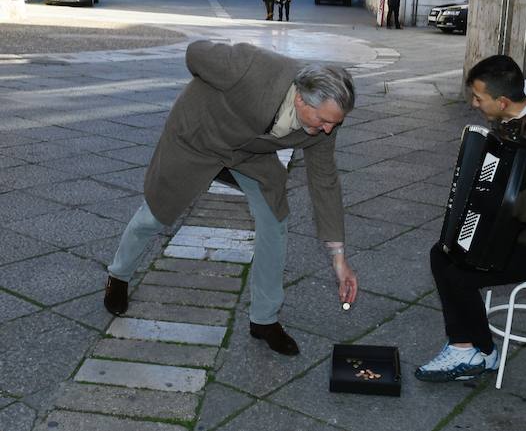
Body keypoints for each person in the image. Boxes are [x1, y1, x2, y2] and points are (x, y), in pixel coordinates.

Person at [102, 40, 359, 356]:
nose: (329, 129)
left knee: (274, 217)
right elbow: (195, 53)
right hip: (197, 137)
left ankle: (264, 319)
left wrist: (339, 259)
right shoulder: (252, 67)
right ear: (302, 99)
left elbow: (325, 183)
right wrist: (214, 97)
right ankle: (118, 275)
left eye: (336, 123)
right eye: (324, 120)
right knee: (155, 212)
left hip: (246, 152)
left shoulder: (323, 127)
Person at [415, 55, 526, 382]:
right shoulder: (511, 122)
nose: (474, 103)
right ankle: (471, 348)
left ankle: (477, 353)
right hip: (516, 234)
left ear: (503, 101)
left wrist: (511, 202)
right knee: (442, 254)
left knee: (460, 275)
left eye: (479, 98)